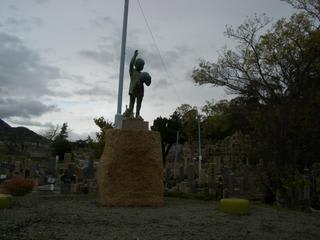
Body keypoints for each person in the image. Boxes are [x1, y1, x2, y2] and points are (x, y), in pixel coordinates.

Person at [125, 49, 151, 118]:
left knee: (139, 103)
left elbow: (147, 83)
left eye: (143, 65)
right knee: (132, 103)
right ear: (137, 65)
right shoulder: (132, 71)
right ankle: (131, 114)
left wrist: (148, 79)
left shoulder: (142, 74)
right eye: (142, 65)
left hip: (140, 91)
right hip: (133, 89)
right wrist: (134, 56)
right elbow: (131, 64)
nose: (142, 67)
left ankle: (137, 114)